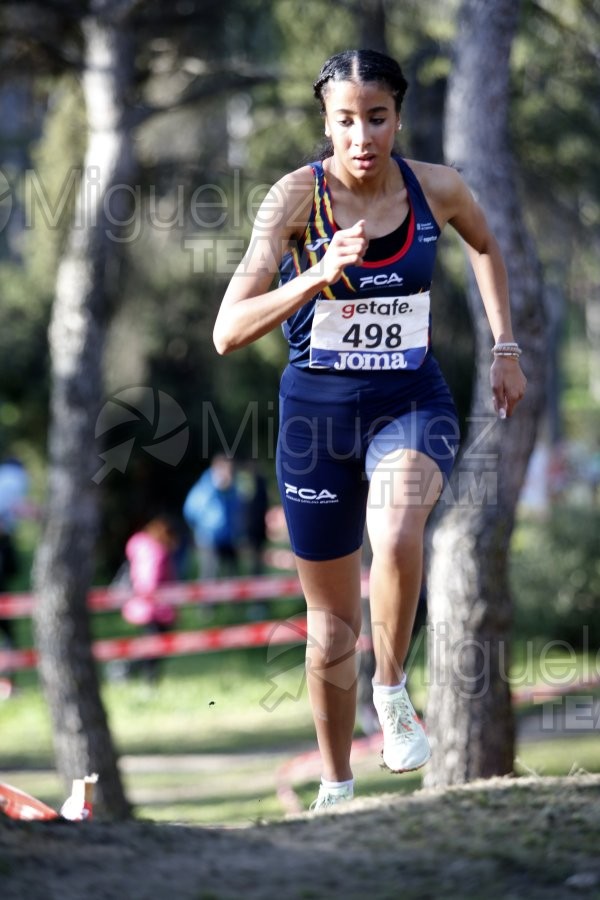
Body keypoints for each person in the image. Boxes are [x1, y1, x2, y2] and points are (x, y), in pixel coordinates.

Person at [213, 48, 527, 810]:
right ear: (326, 123)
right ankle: (336, 787)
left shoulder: (438, 189)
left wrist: (505, 345)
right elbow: (227, 330)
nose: (362, 137)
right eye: (345, 121)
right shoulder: (293, 200)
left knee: (397, 535)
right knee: (329, 626)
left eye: (377, 118)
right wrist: (315, 275)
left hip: (410, 404)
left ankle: (392, 690)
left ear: (398, 117)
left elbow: (487, 246)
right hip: (315, 424)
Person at [120, 515, 178, 683]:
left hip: (144, 605)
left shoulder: (141, 546)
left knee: (150, 645)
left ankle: (130, 670)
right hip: (154, 606)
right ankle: (143, 677)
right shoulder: (156, 551)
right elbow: (151, 579)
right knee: (154, 647)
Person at [183, 455, 243, 579]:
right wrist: (201, 530)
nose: (228, 475)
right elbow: (189, 512)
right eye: (224, 470)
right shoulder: (204, 489)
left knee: (233, 576)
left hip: (229, 538)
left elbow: (238, 512)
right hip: (207, 538)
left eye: (230, 471)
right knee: (209, 575)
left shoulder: (233, 490)